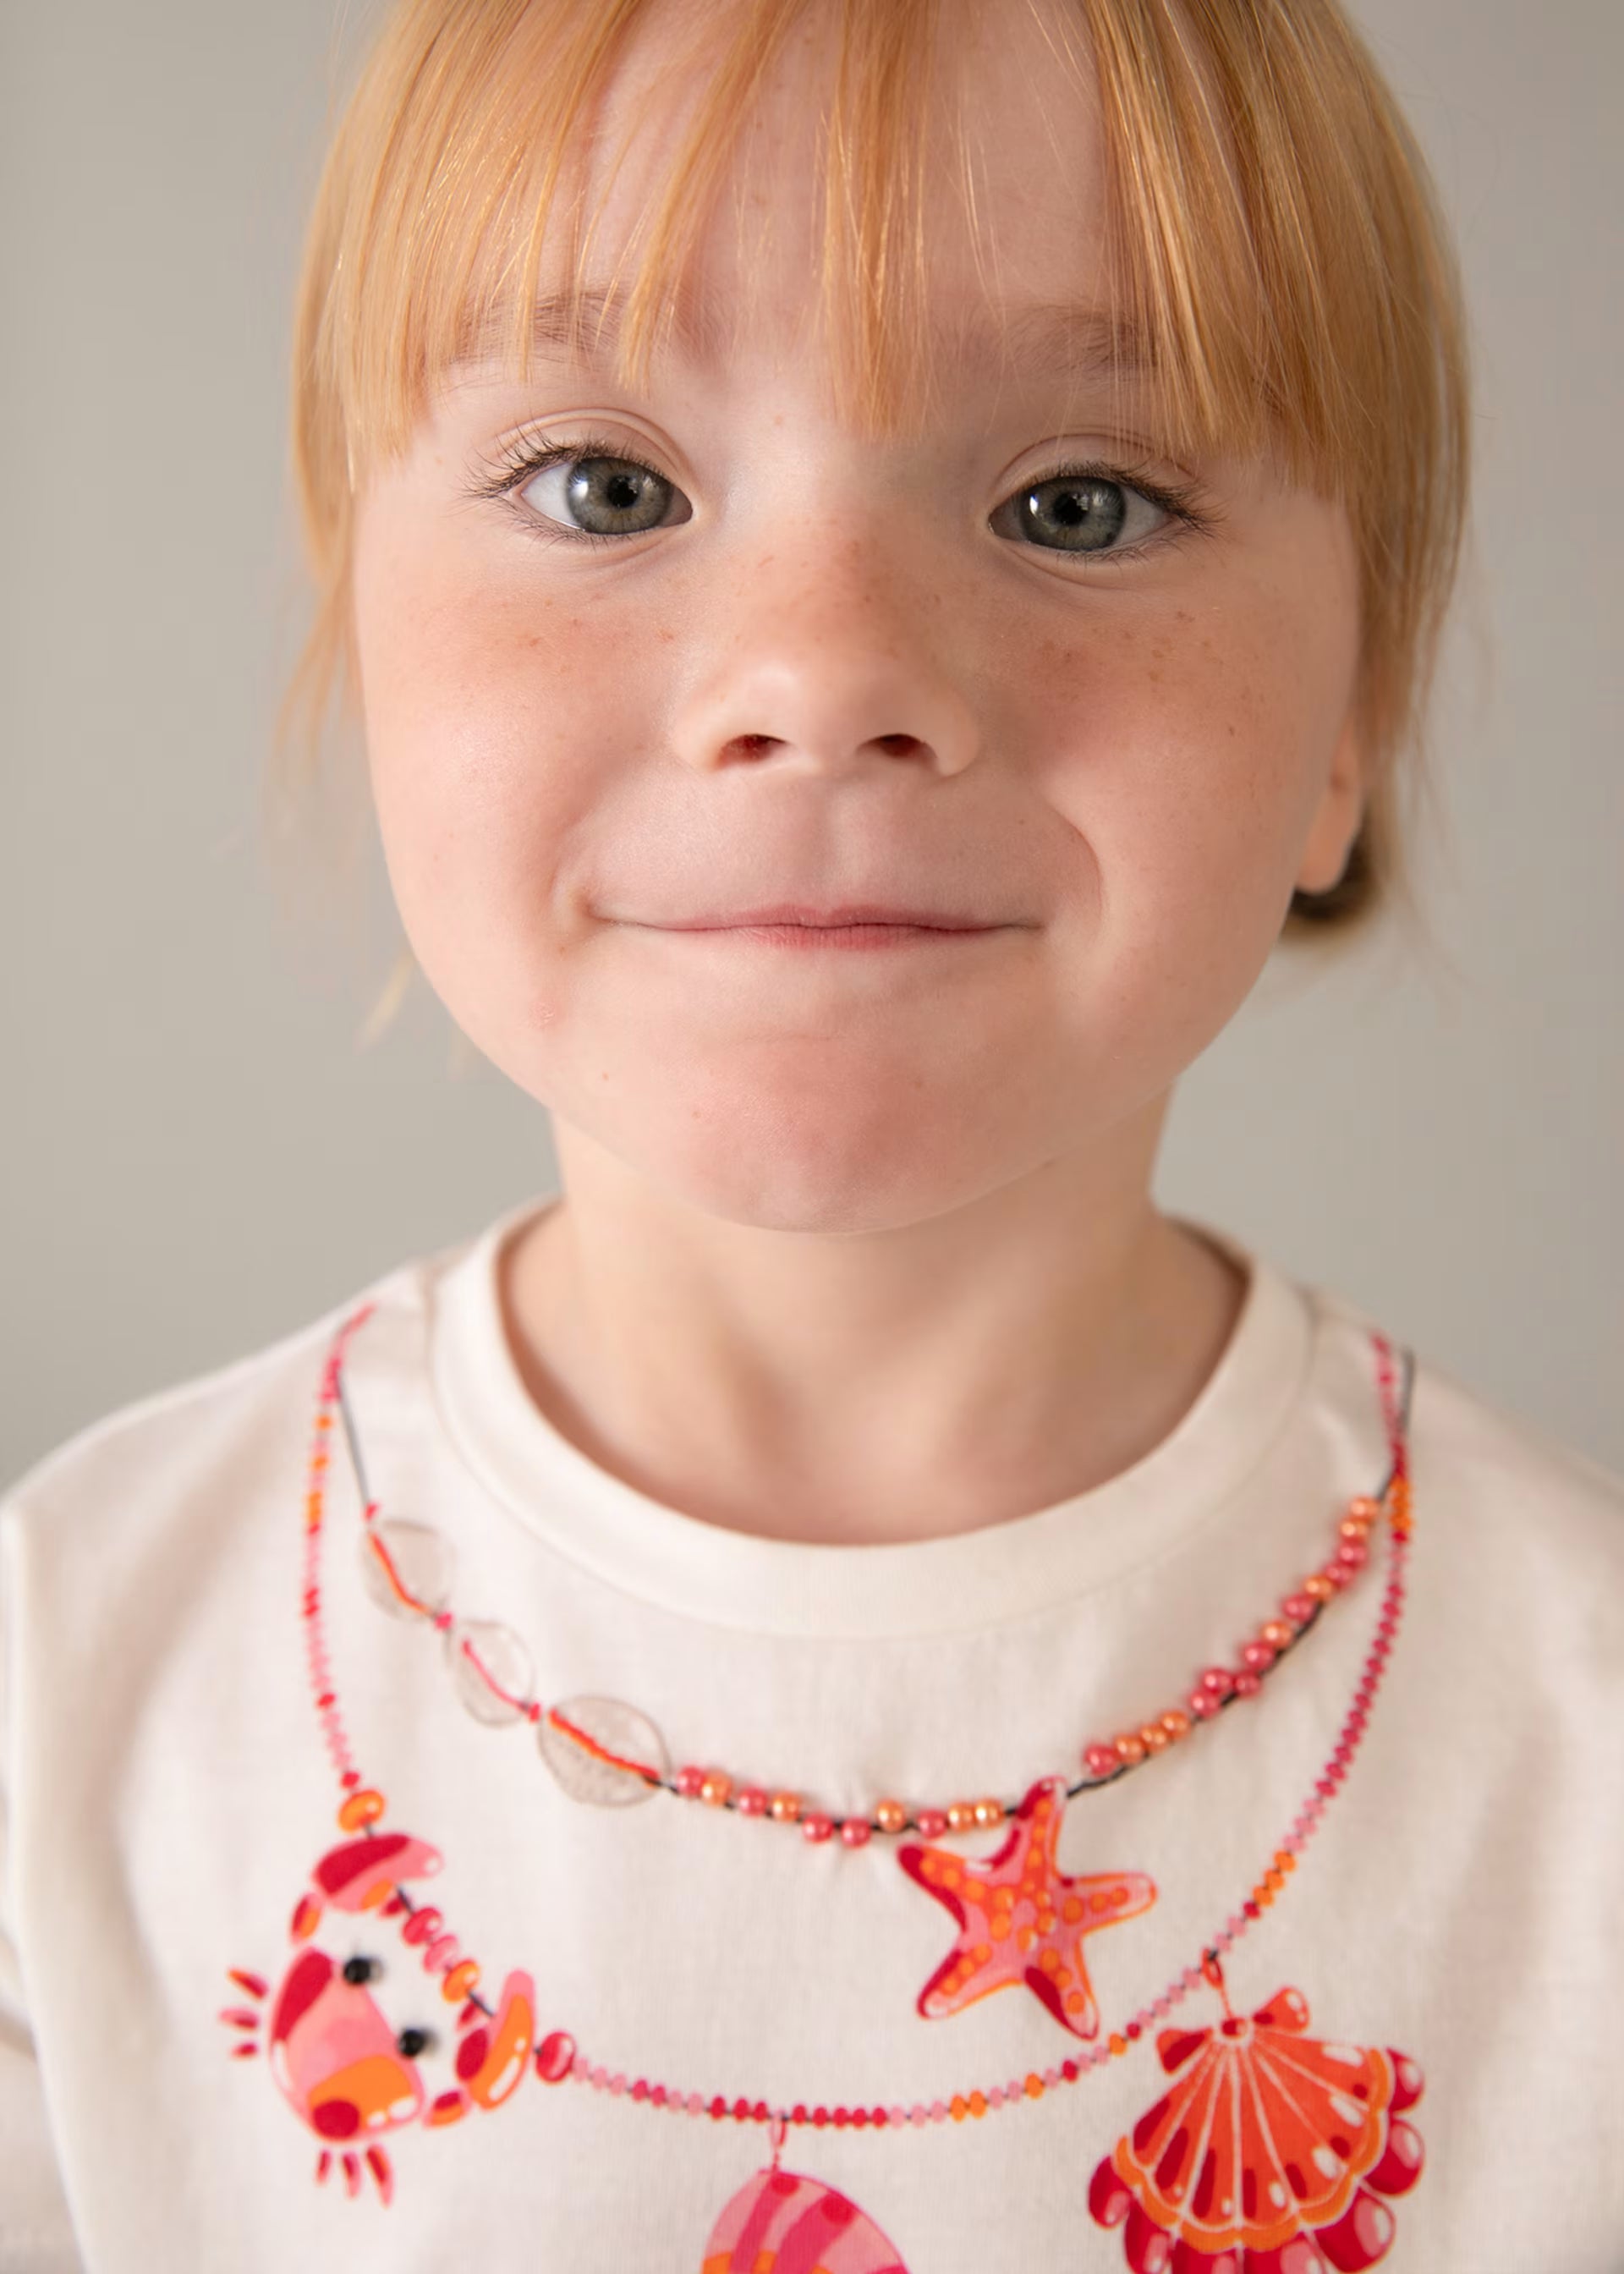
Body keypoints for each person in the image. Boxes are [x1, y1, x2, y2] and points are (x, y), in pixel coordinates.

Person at [2, 0, 1619, 2266]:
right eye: (609, 488)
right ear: (356, 623)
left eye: (1082, 502)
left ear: (1358, 708)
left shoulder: (1584, 1754)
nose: (820, 665)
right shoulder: (73, 1691)